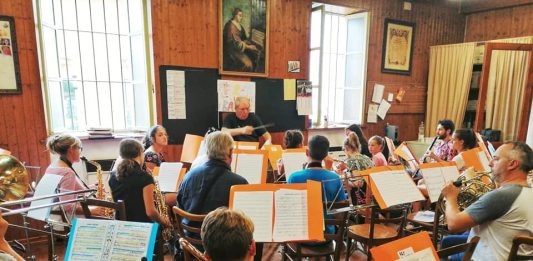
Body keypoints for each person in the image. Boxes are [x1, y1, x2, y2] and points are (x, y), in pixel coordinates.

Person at [442, 142, 533, 260]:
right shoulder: (528, 191)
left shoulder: (502, 196)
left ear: (512, 164)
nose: (490, 163)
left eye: (495, 159)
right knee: (448, 242)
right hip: (514, 255)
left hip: (486, 257)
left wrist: (450, 196)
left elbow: (454, 224)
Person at [108, 139, 171, 260]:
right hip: (142, 230)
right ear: (140, 153)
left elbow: (115, 203)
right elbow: (150, 212)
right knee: (170, 234)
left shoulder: (112, 176)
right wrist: (163, 221)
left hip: (120, 227)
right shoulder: (145, 178)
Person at [177, 131, 248, 226]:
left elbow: (180, 207)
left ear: (207, 151)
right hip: (222, 239)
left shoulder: (188, 176)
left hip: (189, 237)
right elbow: (244, 219)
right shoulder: (239, 183)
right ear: (231, 152)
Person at [287, 135, 347, 236]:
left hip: (300, 237)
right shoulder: (335, 178)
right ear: (326, 155)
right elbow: (340, 216)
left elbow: (289, 210)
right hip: (327, 236)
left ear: (307, 152)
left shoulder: (294, 178)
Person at [45, 134, 91, 221]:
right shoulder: (67, 172)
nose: (80, 151)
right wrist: (92, 210)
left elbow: (68, 190)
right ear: (71, 149)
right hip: (68, 221)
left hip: (53, 218)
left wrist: (91, 188)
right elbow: (67, 206)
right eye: (79, 148)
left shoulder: (53, 167)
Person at [336, 132, 374, 206]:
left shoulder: (352, 160)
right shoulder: (366, 157)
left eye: (344, 149)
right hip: (371, 194)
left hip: (360, 197)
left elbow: (358, 183)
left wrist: (343, 178)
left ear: (346, 148)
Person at [222, 7, 259, 72]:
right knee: (248, 65)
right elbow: (236, 44)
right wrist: (249, 47)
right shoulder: (231, 26)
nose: (241, 17)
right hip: (232, 51)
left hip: (239, 48)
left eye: (241, 16)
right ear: (235, 15)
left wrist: (250, 40)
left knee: (254, 55)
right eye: (240, 15)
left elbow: (243, 38)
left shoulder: (239, 25)